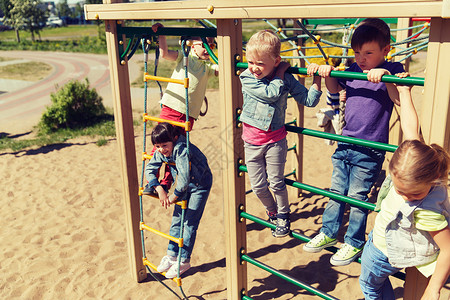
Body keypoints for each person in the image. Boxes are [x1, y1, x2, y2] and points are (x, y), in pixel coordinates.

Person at [303, 18, 406, 266]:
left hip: (370, 149)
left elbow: (399, 86)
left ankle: (353, 242)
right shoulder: (352, 70)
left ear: (385, 50)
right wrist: (327, 72)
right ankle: (328, 233)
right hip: (345, 143)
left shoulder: (392, 67)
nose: (361, 58)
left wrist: (386, 75)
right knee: (337, 193)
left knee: (357, 198)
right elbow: (334, 87)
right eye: (357, 52)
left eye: (368, 53)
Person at [359, 75, 450, 299]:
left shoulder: (428, 209)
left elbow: (448, 248)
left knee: (369, 286)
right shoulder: (416, 161)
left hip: (383, 251)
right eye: (399, 190)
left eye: (415, 193)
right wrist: (405, 93)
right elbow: (411, 127)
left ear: (433, 178)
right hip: (387, 241)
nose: (406, 197)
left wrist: (433, 288)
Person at [239, 29, 322, 237]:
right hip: (251, 142)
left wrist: (317, 79)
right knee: (258, 186)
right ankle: (272, 211)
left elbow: (308, 100)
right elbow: (270, 94)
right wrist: (279, 74)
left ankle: (284, 215)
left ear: (276, 60)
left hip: (275, 141)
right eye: (251, 61)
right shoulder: (247, 77)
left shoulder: (285, 77)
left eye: (260, 63)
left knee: (276, 182)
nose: (254, 68)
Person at [143, 22, 218, 195]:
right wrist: (161, 34)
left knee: (176, 150)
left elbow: (223, 68)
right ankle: (151, 182)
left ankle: (166, 184)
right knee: (161, 144)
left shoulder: (208, 67)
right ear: (191, 45)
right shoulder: (185, 57)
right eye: (205, 44)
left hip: (187, 116)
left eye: (212, 45)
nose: (209, 48)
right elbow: (164, 54)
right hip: (171, 106)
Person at [144, 122, 213, 279]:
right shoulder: (162, 151)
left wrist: (173, 197)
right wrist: (159, 188)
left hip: (199, 185)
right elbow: (150, 169)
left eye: (164, 145)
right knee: (177, 220)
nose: (162, 150)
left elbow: (184, 177)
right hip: (184, 186)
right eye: (158, 146)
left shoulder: (181, 149)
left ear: (174, 139)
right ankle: (172, 255)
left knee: (189, 223)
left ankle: (183, 260)